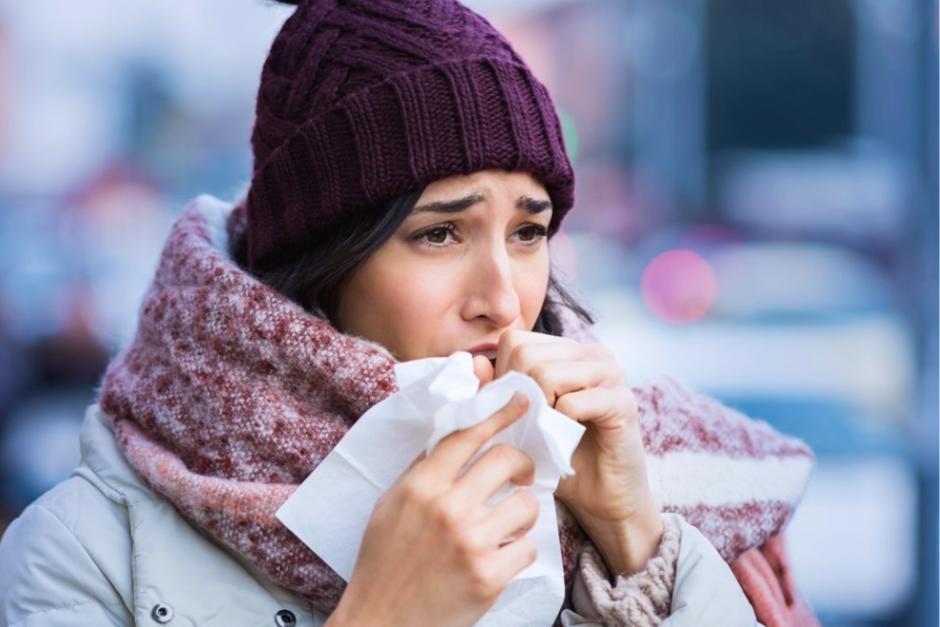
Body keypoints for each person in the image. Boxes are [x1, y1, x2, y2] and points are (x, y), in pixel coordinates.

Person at [0, 1, 820, 625]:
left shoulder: (633, 472)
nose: (503, 297)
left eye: (529, 230)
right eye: (439, 233)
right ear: (322, 264)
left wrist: (637, 544)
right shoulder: (83, 550)